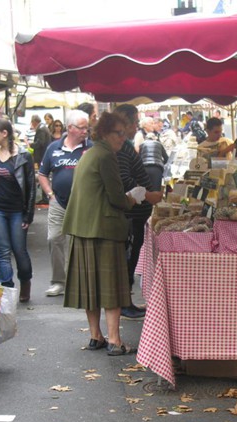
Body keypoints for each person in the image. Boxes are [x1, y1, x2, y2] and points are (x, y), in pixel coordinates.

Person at [62, 111, 145, 355]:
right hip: (103, 229)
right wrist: (135, 197)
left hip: (83, 227)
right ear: (106, 133)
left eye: (124, 133)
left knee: (91, 288)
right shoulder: (106, 156)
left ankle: (95, 336)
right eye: (119, 133)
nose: (123, 138)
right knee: (111, 288)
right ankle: (115, 341)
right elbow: (117, 198)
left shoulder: (91, 153)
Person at [114, 104, 163, 320]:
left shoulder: (125, 146)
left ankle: (126, 301)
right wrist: (148, 195)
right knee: (128, 257)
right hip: (132, 214)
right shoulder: (122, 147)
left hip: (136, 212)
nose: (136, 126)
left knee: (131, 257)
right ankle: (124, 303)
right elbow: (125, 179)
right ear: (126, 123)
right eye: (134, 122)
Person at [38, 110, 91, 297]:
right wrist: (50, 194)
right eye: (82, 128)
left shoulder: (91, 148)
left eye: (87, 127)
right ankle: (58, 281)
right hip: (58, 202)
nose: (86, 131)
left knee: (81, 242)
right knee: (54, 238)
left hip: (84, 204)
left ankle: (80, 281)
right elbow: (42, 174)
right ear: (70, 128)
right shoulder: (53, 147)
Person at [0, 118, 36, 302]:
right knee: (3, 251)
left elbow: (31, 187)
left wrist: (28, 215)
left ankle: (25, 281)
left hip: (16, 211)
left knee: (19, 250)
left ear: (4, 134)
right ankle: (7, 289)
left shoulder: (23, 156)